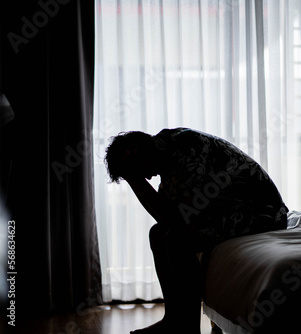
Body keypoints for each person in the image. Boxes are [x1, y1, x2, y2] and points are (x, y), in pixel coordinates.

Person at [105, 127, 289, 334]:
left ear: (140, 156)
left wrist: (136, 180)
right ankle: (173, 319)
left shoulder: (185, 148)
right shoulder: (165, 154)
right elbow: (165, 217)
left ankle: (187, 327)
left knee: (176, 240)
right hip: (231, 209)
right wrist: (135, 179)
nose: (146, 178)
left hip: (261, 213)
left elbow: (175, 220)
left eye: (138, 174)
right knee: (157, 234)